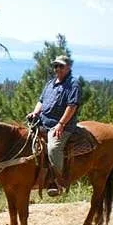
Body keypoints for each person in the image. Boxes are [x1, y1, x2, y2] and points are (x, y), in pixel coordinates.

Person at [27, 55, 82, 197]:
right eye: (55, 66)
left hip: (61, 126)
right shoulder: (51, 83)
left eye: (61, 66)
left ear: (68, 67)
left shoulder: (73, 84)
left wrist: (61, 124)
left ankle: (57, 181)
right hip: (43, 122)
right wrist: (35, 112)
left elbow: (72, 106)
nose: (57, 68)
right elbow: (41, 101)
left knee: (53, 148)